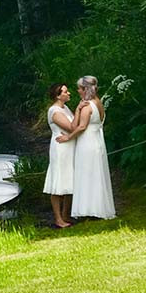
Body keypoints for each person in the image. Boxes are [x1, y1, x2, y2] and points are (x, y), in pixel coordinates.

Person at [57, 76, 116, 219]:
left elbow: (81, 126)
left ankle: (89, 209)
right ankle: (98, 207)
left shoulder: (88, 106)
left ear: (85, 89)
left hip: (87, 143)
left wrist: (68, 137)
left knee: (87, 174)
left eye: (79, 88)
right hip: (97, 141)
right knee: (97, 173)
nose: (77, 91)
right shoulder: (98, 102)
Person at [42, 83, 76, 228]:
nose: (69, 93)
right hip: (61, 148)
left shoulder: (65, 108)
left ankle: (66, 214)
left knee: (70, 179)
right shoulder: (55, 111)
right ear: (58, 95)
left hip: (70, 147)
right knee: (58, 181)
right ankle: (58, 218)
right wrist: (81, 110)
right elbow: (71, 127)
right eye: (66, 92)